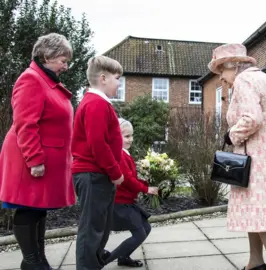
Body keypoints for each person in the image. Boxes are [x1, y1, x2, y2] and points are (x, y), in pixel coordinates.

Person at [208, 43, 266, 270]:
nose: (221, 79)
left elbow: (252, 119)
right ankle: (255, 261)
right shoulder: (265, 79)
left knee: (261, 212)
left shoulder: (244, 81)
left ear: (234, 66)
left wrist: (231, 135)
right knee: (256, 210)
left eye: (222, 72)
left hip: (257, 156)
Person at [0, 33, 75, 270]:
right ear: (46, 56)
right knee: (28, 208)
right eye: (63, 60)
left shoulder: (46, 80)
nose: (66, 66)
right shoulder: (31, 79)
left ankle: (38, 260)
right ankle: (31, 262)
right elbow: (25, 124)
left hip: (42, 157)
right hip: (29, 158)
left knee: (39, 210)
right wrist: (34, 160)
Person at [71, 55, 125, 270]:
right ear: (103, 78)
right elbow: (97, 144)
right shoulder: (96, 104)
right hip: (94, 175)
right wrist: (115, 172)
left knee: (99, 228)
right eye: (117, 78)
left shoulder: (98, 103)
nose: (119, 83)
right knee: (91, 230)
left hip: (97, 175)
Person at [103, 118, 159, 268]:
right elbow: (126, 180)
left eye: (131, 136)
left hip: (127, 201)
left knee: (146, 228)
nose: (131, 139)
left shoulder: (124, 153)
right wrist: (146, 189)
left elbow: (131, 177)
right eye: (127, 136)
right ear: (115, 135)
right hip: (119, 203)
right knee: (139, 233)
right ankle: (103, 262)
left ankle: (123, 257)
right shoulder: (119, 155)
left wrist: (144, 182)